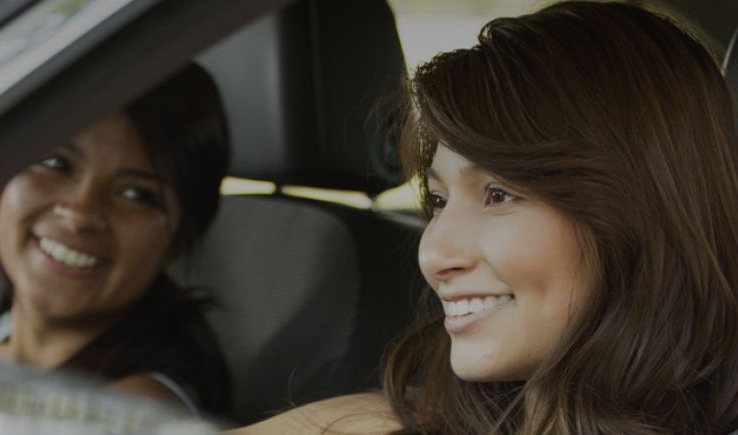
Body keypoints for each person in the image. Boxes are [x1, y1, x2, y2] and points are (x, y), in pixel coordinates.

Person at [230, 1, 738, 433]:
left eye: (498, 194)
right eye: (438, 201)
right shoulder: (364, 423)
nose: (433, 255)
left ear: (641, 211)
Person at [0, 62, 231, 416]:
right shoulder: (1, 335)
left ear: (181, 238)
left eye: (135, 194)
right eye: (55, 163)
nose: (79, 214)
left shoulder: (134, 412)